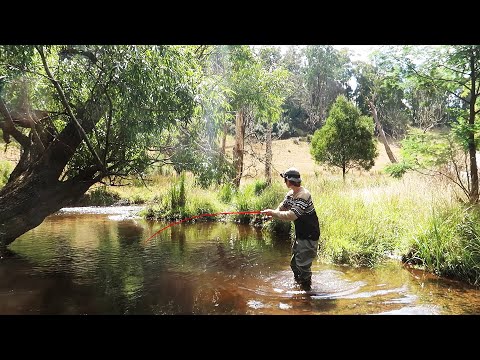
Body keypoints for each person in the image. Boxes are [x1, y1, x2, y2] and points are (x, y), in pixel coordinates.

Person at [261, 167, 320, 291]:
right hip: (301, 234)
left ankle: (306, 293)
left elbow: (292, 215)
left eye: (285, 179)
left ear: (289, 181)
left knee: (303, 266)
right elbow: (282, 207)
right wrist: (272, 214)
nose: (284, 182)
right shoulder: (291, 194)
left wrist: (273, 213)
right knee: (294, 264)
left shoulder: (303, 195)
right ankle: (298, 287)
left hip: (309, 235)